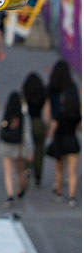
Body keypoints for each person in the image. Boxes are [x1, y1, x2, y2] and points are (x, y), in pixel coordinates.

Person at [45, 59, 81, 205]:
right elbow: (79, 125)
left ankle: (58, 191)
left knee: (59, 170)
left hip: (59, 139)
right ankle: (72, 197)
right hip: (72, 140)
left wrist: (50, 131)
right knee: (72, 171)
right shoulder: (72, 88)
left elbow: (49, 113)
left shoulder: (52, 89)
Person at [0, 89, 33, 205]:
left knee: (8, 172)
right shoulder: (23, 116)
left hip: (6, 145)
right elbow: (26, 134)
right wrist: (29, 151)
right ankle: (20, 188)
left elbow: (0, 130)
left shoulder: (6, 115)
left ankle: (10, 195)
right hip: (19, 147)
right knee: (19, 171)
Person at [22, 70, 49, 187]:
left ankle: (27, 168)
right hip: (39, 122)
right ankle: (38, 175)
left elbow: (22, 111)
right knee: (39, 149)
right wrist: (47, 127)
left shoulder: (24, 94)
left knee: (27, 148)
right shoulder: (44, 94)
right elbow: (47, 113)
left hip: (28, 122)